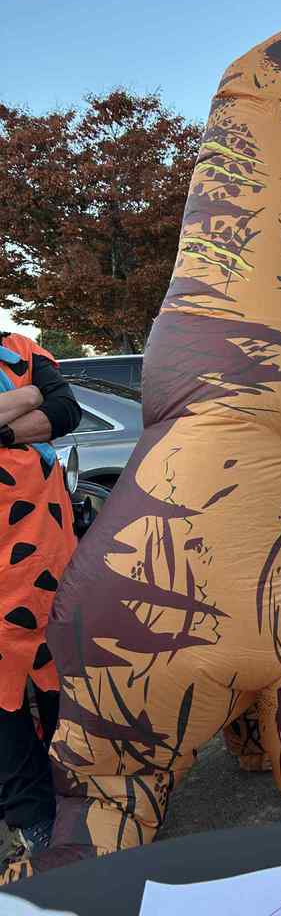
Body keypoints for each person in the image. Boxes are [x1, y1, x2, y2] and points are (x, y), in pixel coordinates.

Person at [0, 332, 80, 865]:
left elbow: (64, 409)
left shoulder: (20, 348)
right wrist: (25, 401)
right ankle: (30, 817)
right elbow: (40, 402)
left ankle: (73, 798)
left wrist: (4, 426)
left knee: (65, 675)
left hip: (47, 550)